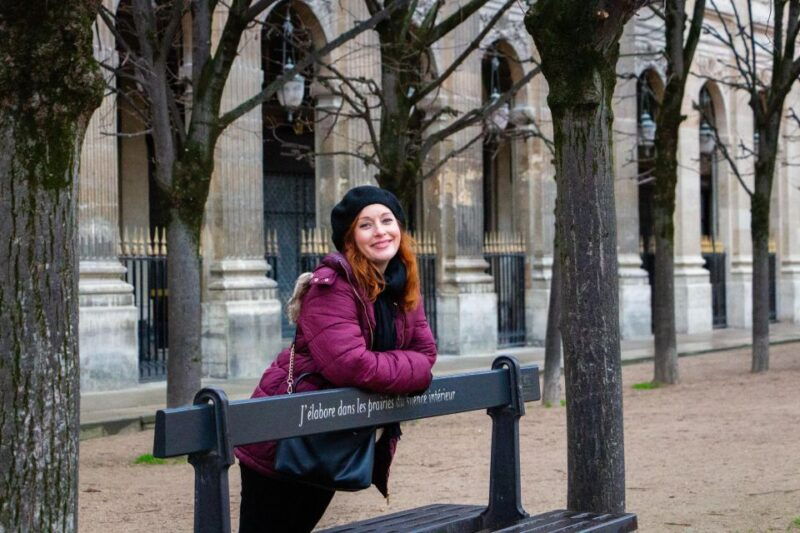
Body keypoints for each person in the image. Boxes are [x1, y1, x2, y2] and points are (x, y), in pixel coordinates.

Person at [234, 185, 437, 533]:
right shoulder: (333, 286)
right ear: (350, 237)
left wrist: (413, 369)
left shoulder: (401, 287)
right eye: (366, 225)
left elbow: (426, 355)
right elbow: (350, 364)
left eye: (387, 220)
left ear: (400, 228)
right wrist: (413, 372)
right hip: (285, 434)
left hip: (331, 431)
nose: (380, 231)